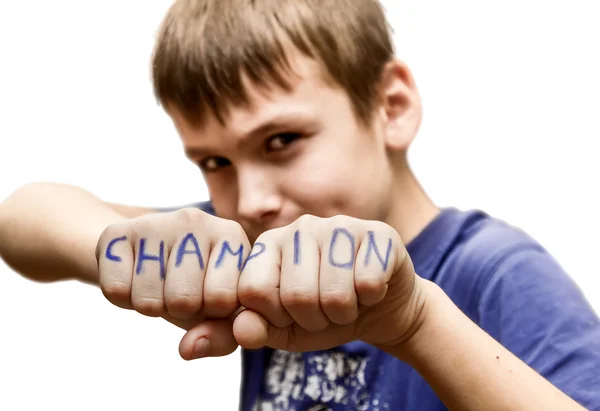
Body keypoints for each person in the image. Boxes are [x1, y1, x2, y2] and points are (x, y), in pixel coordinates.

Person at [1, 0, 599, 409]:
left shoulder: (496, 271)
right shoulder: (245, 239)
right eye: (215, 163)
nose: (251, 199)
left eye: (282, 141)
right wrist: (117, 248)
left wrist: (417, 321)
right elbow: (23, 218)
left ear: (390, 107)